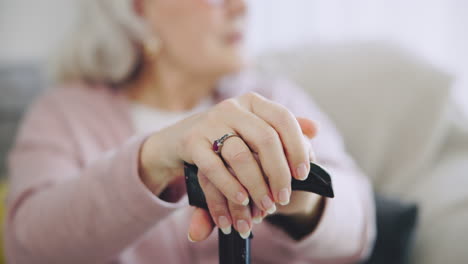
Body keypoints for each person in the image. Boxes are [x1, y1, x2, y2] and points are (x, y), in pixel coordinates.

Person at [4, 0, 376, 263]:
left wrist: (298, 197)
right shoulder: (65, 112)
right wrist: (156, 158)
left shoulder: (276, 97)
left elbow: (359, 229)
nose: (242, 5)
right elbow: (28, 248)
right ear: (140, 9)